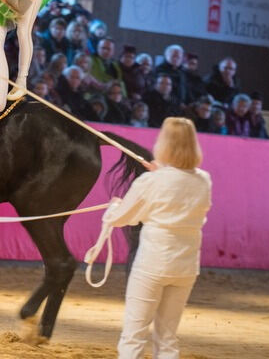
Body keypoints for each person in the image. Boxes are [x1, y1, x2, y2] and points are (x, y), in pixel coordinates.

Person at [100, 117, 211, 359]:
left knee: (134, 335)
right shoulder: (204, 180)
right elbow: (184, 193)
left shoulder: (151, 181)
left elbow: (121, 218)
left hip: (153, 263)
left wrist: (114, 206)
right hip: (186, 266)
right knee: (168, 338)